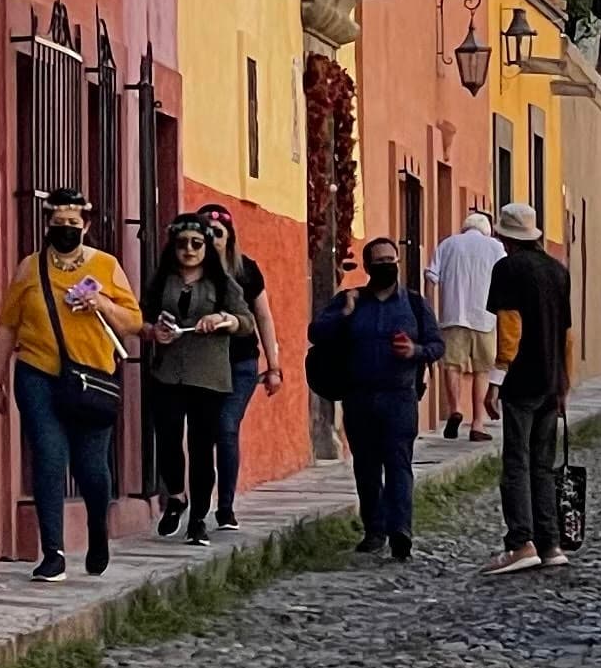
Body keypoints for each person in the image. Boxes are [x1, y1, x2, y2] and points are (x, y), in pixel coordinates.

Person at [0, 190, 142, 581]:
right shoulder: (29, 269)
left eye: (73, 225)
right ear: (47, 225)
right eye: (59, 225)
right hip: (37, 372)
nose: (66, 231)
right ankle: (52, 551)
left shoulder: (107, 267)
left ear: (86, 226)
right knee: (49, 456)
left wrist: (103, 305)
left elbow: (134, 321)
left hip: (91, 377)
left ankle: (97, 527)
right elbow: (8, 325)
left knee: (92, 466)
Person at [307, 234, 442, 560]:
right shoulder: (350, 300)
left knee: (399, 465)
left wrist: (415, 351)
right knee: (366, 468)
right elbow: (316, 333)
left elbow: (437, 345)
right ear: (367, 266)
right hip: (359, 397)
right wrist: (345, 313)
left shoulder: (413, 303)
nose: (385, 266)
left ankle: (401, 532)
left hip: (400, 397)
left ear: (397, 263)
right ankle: (374, 529)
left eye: (390, 261)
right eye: (378, 262)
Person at [138, 215, 251, 544]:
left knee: (203, 448)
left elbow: (246, 321)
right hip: (168, 372)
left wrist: (223, 319)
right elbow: (142, 318)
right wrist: (154, 332)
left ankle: (199, 517)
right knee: (169, 440)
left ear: (207, 248)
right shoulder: (162, 281)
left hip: (209, 376)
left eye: (196, 244)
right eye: (182, 244)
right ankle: (176, 495)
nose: (188, 250)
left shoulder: (222, 283)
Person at [486, 197, 575, 576]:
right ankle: (550, 542)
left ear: (507, 237)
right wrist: (565, 383)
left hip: (522, 379)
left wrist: (495, 380)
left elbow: (510, 328)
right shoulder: (558, 271)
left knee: (516, 462)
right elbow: (567, 336)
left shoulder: (508, 269)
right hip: (552, 379)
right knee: (543, 465)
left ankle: (521, 541)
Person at [198, 202, 281, 527]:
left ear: (229, 237)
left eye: (217, 233)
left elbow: (263, 315)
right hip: (202, 367)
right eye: (205, 233)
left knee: (226, 427)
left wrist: (274, 367)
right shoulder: (191, 273)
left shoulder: (246, 270)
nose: (211, 239)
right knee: (204, 434)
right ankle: (202, 504)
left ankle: (227, 505)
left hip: (241, 364)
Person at [429, 203, 504, 440]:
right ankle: (478, 423)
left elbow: (431, 276)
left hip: (453, 315)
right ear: (487, 229)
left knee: (452, 365)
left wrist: (431, 310)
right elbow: (506, 276)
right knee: (482, 369)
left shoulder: (448, 244)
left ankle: (455, 409)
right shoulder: (495, 247)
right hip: (486, 317)